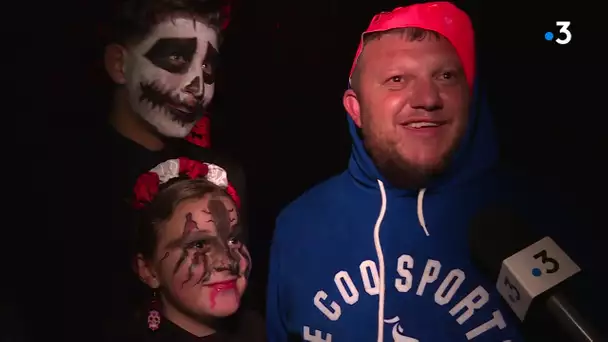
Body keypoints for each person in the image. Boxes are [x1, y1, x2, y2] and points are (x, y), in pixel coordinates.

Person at [266, 2, 526, 341]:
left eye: (445, 76)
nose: (428, 98)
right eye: (397, 79)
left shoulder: (538, 217)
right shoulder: (298, 227)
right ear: (355, 109)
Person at [107, 157, 265, 341]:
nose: (226, 261)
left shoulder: (255, 329)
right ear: (149, 270)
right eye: (199, 245)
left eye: (232, 240)